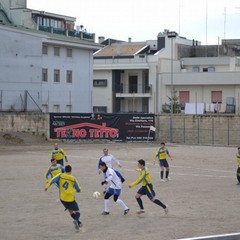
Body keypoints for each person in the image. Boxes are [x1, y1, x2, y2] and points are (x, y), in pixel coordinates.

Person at [44, 165, 82, 231]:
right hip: (70, 198)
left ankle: (78, 222)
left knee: (70, 211)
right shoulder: (73, 178)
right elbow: (78, 189)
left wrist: (47, 187)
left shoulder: (60, 175)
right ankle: (76, 220)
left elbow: (52, 180)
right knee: (77, 211)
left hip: (62, 198)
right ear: (71, 170)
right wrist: (79, 190)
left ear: (65, 170)